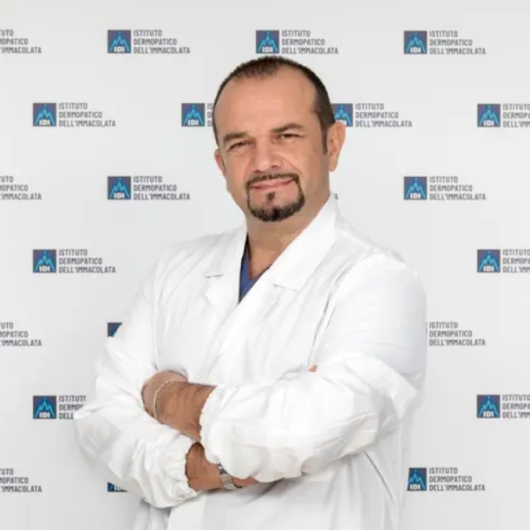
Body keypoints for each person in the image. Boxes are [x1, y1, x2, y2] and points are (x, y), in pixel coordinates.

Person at [73, 56, 427, 530]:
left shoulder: (379, 280)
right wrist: (201, 466)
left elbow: (303, 429)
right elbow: (102, 419)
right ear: (221, 163)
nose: (263, 162)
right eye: (240, 144)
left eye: (286, 135)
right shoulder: (176, 268)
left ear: (333, 143)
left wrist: (164, 397)